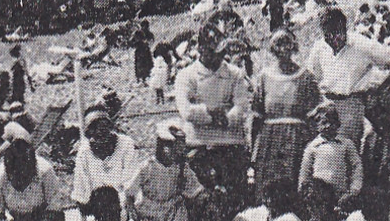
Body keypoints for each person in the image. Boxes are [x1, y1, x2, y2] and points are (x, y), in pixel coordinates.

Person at [307, 8, 390, 150]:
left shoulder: (361, 44)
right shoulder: (319, 48)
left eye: (336, 33)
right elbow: (311, 78)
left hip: (352, 104)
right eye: (327, 35)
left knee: (347, 148)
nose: (332, 40)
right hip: (327, 103)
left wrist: (384, 88)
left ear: (344, 28)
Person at [248, 29, 322, 205]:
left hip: (297, 141)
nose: (283, 48)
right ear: (273, 48)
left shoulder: (306, 77)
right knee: (269, 190)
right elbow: (256, 118)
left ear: (294, 46)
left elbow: (314, 119)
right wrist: (253, 150)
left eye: (287, 43)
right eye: (278, 44)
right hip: (270, 143)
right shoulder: (264, 77)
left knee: (295, 188)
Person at [125, 122, 206, 221]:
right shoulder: (147, 168)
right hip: (151, 215)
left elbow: (197, 191)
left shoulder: (181, 169)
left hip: (174, 214)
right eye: (168, 146)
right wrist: (132, 215)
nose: (171, 152)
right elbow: (128, 193)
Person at [174, 34, 251, 194]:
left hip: (230, 143)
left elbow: (241, 108)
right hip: (198, 143)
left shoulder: (235, 74)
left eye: (221, 52)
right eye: (212, 52)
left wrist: (224, 119)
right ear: (201, 49)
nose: (218, 57)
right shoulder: (186, 75)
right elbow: (186, 111)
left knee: (235, 195)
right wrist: (211, 113)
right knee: (201, 196)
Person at [69, 109, 143, 210]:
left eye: (104, 131)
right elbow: (80, 189)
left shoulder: (126, 144)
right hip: (97, 207)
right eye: (95, 136)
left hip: (124, 204)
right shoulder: (84, 151)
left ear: (110, 130)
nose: (101, 139)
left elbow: (131, 181)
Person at [299, 105, 363, 201]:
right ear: (317, 125)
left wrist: (355, 188)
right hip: (319, 195)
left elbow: (356, 166)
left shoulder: (346, 144)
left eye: (332, 123)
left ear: (338, 124)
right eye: (324, 123)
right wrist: (303, 190)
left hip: (340, 193)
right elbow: (305, 171)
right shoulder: (313, 146)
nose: (328, 126)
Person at [131, 20, 155, 86]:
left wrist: (147, 43)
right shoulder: (137, 33)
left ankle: (145, 79)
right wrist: (138, 42)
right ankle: (139, 79)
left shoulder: (149, 34)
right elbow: (132, 42)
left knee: (147, 65)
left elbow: (152, 41)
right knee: (139, 65)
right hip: (139, 51)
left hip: (146, 51)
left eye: (146, 26)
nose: (145, 27)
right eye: (144, 26)